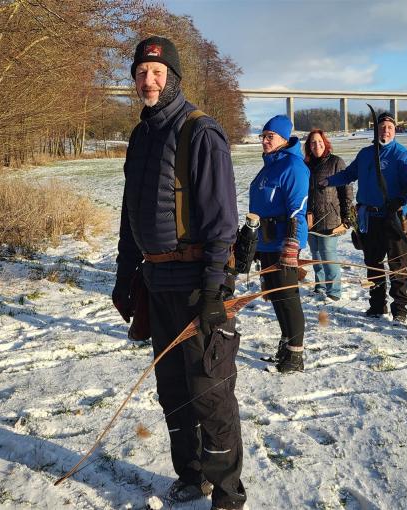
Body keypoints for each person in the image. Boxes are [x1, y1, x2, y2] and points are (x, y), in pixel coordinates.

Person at [111, 36, 246, 510]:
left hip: (196, 288)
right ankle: (191, 476)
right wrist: (125, 276)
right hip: (157, 285)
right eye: (141, 73)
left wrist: (213, 290)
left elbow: (223, 222)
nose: (148, 81)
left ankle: (227, 494)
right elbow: (130, 215)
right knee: (172, 391)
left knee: (210, 393)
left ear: (173, 77)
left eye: (157, 72)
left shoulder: (200, 132)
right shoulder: (140, 137)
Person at [322, 112, 407, 322]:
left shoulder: (403, 155)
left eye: (390, 127)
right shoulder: (366, 154)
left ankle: (399, 310)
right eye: (382, 127)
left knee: (397, 265)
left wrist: (400, 200)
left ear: (395, 131)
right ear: (376, 130)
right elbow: (349, 174)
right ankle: (377, 306)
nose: (386, 130)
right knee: (373, 264)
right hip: (370, 218)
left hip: (393, 218)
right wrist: (328, 182)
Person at [249, 115, 309, 373]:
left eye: (270, 136)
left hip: (283, 243)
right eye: (263, 136)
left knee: (288, 297)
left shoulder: (293, 166)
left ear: (284, 138)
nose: (264, 140)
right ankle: (285, 345)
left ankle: (295, 355)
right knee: (275, 296)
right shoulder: (269, 165)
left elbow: (298, 208)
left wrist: (292, 245)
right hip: (265, 241)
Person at [304, 129, 353, 301]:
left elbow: (346, 189)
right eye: (313, 142)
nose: (316, 145)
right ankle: (320, 285)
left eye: (319, 141)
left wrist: (347, 214)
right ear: (308, 146)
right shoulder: (305, 165)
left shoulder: (336, 162)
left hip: (330, 216)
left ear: (325, 143)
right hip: (310, 217)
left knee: (328, 254)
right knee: (315, 254)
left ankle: (334, 291)